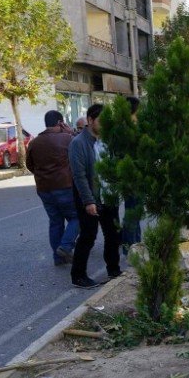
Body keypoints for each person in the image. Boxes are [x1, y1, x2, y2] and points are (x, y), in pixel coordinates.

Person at [69, 103, 121, 288]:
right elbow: (79, 175)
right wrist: (89, 201)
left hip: (109, 196)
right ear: (90, 120)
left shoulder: (107, 140)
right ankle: (78, 275)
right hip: (90, 198)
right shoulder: (78, 143)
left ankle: (114, 270)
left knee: (113, 235)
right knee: (88, 236)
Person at [26, 110, 78, 266]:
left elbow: (30, 165)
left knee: (55, 222)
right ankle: (66, 246)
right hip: (64, 186)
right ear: (60, 122)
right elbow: (80, 147)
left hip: (44, 189)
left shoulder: (34, 142)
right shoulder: (67, 138)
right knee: (77, 217)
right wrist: (71, 132)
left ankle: (58, 258)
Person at [120, 96, 142, 253]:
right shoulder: (130, 127)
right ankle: (130, 246)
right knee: (132, 211)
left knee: (134, 210)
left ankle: (136, 244)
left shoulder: (125, 125)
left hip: (132, 174)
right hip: (132, 175)